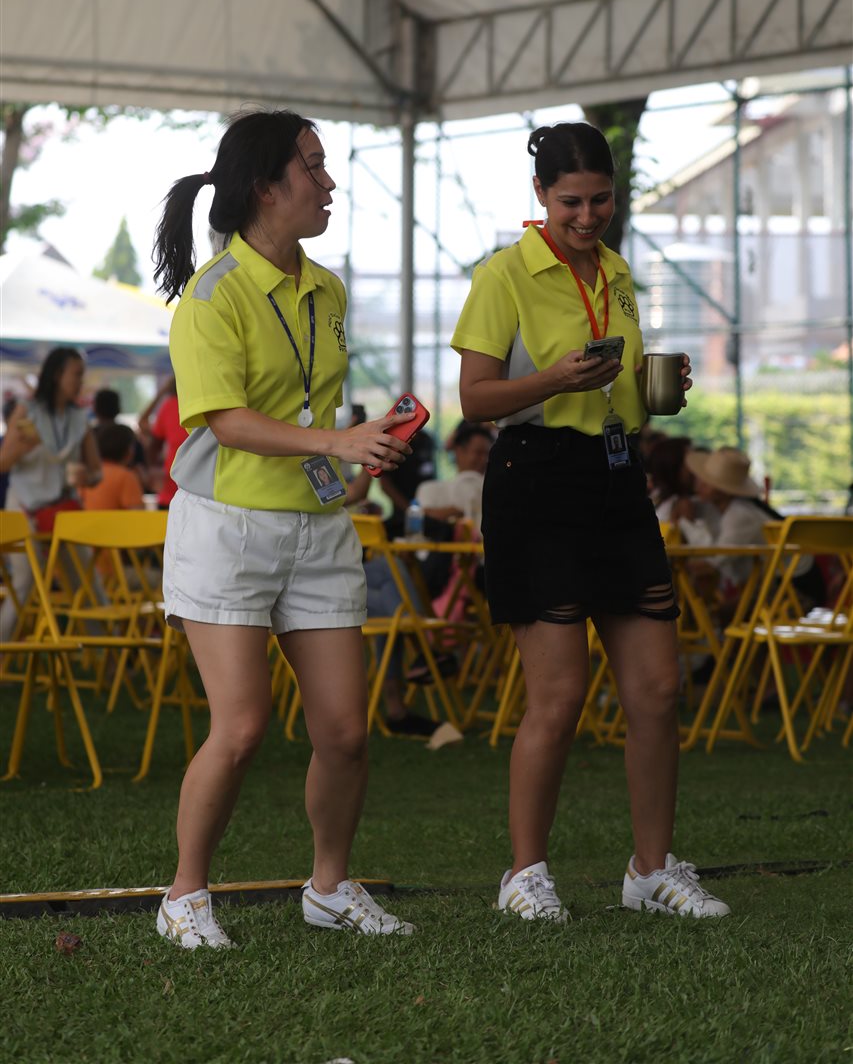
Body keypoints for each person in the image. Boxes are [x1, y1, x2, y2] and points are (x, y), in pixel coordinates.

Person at [452, 120, 730, 921]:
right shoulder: (504, 273)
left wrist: (656, 387)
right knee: (560, 695)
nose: (586, 215)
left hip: (616, 476)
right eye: (570, 201)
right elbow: (474, 399)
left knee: (656, 688)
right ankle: (523, 874)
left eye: (600, 200)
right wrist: (552, 379)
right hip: (534, 478)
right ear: (540, 195)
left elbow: (621, 388)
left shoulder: (616, 271)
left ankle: (650, 870)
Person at [150, 108, 415, 948]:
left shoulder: (325, 289)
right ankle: (184, 896)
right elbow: (225, 421)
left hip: (317, 526)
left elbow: (312, 411)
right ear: (266, 187)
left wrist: (359, 453)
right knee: (240, 729)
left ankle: (329, 888)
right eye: (313, 166)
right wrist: (336, 442)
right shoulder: (212, 295)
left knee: (344, 731)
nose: (329, 183)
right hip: (224, 529)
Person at [0, 347, 101, 642]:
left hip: (62, 510)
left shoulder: (79, 417)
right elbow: (3, 463)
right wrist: (21, 448)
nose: (81, 381)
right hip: (25, 508)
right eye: (77, 374)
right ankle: (4, 650)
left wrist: (87, 477)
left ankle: (106, 655)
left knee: (86, 582)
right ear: (57, 375)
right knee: (24, 583)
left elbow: (96, 472)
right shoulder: (27, 410)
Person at [682, 446, 825, 607]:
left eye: (706, 482)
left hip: (794, 590)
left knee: (719, 612)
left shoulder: (739, 515)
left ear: (723, 490)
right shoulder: (731, 508)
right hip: (780, 584)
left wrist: (677, 563)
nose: (698, 485)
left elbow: (712, 564)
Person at [137, 377, 188, 509]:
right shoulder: (173, 406)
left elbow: (144, 425)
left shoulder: (169, 406)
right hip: (195, 491)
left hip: (172, 487)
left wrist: (161, 393)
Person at [81, 423, 145, 511]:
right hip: (115, 520)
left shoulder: (89, 473)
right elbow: (136, 513)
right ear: (128, 450)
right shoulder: (126, 477)